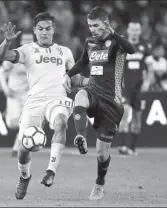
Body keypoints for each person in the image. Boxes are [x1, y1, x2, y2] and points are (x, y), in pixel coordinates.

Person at [0, 12, 84, 200]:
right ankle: (25, 176)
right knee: (23, 149)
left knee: (61, 123)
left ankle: (51, 170)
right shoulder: (27, 50)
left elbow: (75, 78)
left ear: (54, 29)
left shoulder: (65, 51)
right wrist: (7, 41)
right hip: (34, 101)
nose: (44, 32)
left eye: (48, 29)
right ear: (35, 31)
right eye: (41, 29)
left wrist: (91, 82)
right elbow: (1, 56)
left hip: (57, 99)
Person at [63, 6, 135, 200]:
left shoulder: (116, 44)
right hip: (93, 91)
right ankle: (80, 136)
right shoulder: (89, 42)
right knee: (79, 96)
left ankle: (99, 184)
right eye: (90, 26)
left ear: (105, 23)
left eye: (95, 25)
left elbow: (132, 49)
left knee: (102, 155)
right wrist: (68, 75)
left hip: (112, 103)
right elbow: (81, 63)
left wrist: (114, 34)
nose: (92, 29)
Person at [118, 22, 151, 155]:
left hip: (139, 88)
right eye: (133, 29)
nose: (135, 32)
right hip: (125, 87)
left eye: (137, 29)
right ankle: (124, 146)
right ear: (128, 30)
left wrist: (147, 81)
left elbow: (151, 67)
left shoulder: (145, 47)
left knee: (137, 117)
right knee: (124, 115)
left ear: (140, 31)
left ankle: (131, 147)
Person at [0, 60, 28, 157]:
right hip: (13, 94)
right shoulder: (13, 58)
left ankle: (16, 148)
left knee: (26, 122)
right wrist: (5, 88)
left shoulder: (36, 60)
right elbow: (0, 72)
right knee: (12, 124)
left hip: (28, 94)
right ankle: (8, 115)